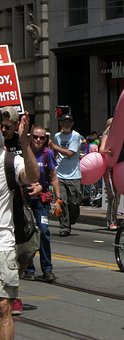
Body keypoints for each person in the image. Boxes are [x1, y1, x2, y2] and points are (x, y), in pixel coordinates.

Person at [0, 112, 39, 336]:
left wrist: (25, 143)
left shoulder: (9, 160)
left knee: (3, 306)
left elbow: (32, 176)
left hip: (3, 243)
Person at [24, 126, 60, 283]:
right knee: (27, 232)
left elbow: (54, 177)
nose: (38, 140)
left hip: (42, 200)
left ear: (46, 139)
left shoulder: (48, 154)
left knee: (44, 231)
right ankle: (28, 268)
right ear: (30, 137)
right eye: (35, 137)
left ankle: (47, 269)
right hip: (26, 198)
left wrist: (59, 199)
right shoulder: (25, 152)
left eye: (42, 138)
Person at [49, 114, 83, 237]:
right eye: (64, 122)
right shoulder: (57, 136)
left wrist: (55, 147)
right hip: (60, 174)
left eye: (69, 122)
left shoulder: (76, 136)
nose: (66, 124)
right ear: (61, 124)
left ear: (72, 124)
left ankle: (72, 219)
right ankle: (64, 227)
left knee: (74, 202)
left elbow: (70, 153)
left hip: (74, 174)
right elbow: (54, 152)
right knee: (61, 200)